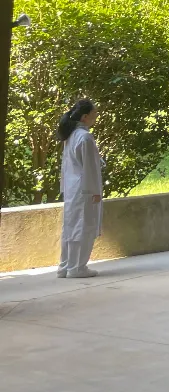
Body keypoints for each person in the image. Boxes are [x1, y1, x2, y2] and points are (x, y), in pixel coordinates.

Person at [57, 99, 104, 279]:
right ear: (85, 117)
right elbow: (90, 169)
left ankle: (65, 266)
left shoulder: (71, 135)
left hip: (72, 188)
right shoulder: (85, 137)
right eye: (94, 113)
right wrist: (95, 193)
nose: (96, 116)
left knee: (71, 226)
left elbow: (71, 164)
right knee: (84, 226)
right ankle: (77, 267)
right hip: (84, 190)